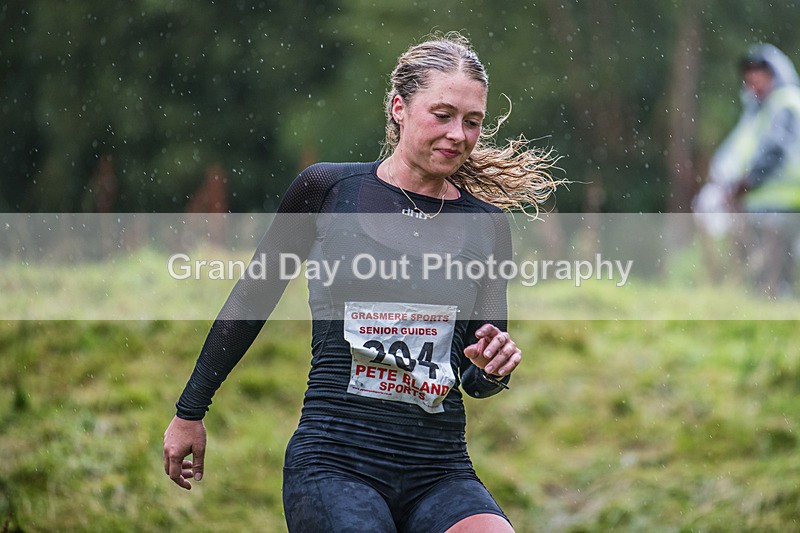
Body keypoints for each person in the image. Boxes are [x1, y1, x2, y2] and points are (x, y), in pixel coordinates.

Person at [163, 32, 560, 532]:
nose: (458, 134)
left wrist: (493, 368)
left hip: (439, 471)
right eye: (442, 115)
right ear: (399, 108)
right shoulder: (327, 189)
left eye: (472, 121)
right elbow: (252, 298)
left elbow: (476, 379)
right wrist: (189, 410)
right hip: (333, 463)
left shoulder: (488, 225)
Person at [694, 43, 800, 295]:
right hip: (762, 203)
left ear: (774, 74)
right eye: (749, 75)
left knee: (774, 273)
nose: (752, 81)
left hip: (781, 204)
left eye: (759, 74)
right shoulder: (759, 110)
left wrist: (747, 182)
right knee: (764, 274)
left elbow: (774, 151)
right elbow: (741, 151)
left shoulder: (784, 103)